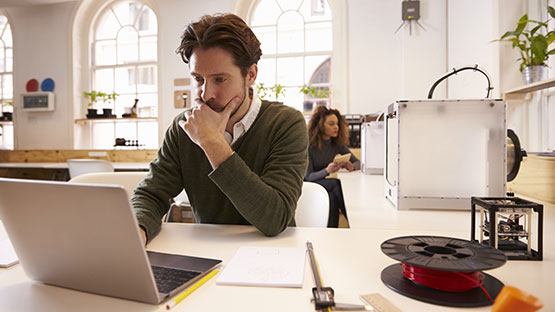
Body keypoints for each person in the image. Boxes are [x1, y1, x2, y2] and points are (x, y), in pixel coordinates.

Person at [131, 13, 308, 243]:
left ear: (251, 75)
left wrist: (212, 143)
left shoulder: (286, 124)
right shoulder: (183, 127)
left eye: (220, 80)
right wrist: (138, 229)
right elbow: (151, 194)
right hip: (208, 254)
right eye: (198, 79)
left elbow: (274, 219)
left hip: (272, 256)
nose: (206, 94)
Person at [305, 105, 360, 228]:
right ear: (320, 125)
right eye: (331, 124)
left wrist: (351, 166)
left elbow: (358, 163)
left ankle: (332, 232)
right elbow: (308, 177)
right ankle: (352, 221)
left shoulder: (336, 144)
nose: (336, 127)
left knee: (332, 198)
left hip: (321, 183)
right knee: (335, 183)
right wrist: (326, 171)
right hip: (307, 184)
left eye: (337, 124)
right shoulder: (308, 146)